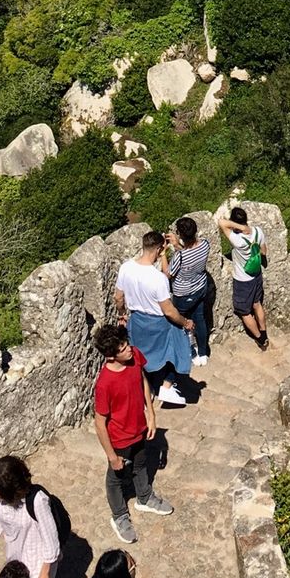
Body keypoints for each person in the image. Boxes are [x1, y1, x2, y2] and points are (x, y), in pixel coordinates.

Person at [92, 323, 171, 545]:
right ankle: (119, 516)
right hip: (120, 438)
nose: (129, 349)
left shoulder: (134, 356)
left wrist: (151, 413)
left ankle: (144, 497)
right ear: (110, 356)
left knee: (141, 464)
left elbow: (142, 379)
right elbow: (100, 423)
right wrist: (112, 456)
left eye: (127, 343)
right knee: (115, 478)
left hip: (139, 429)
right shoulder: (105, 384)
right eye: (123, 348)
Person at [114, 231, 195, 407]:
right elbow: (169, 312)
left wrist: (122, 314)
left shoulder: (126, 268)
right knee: (180, 348)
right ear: (159, 250)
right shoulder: (158, 279)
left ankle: (146, 391)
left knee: (139, 357)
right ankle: (167, 386)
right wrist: (185, 322)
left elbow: (118, 298)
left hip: (137, 321)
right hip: (158, 325)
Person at [0, 456, 61, 578]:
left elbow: (51, 541)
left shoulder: (38, 501)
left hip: (37, 558)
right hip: (15, 553)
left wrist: (45, 573)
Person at [163, 215, 211, 368]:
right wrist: (178, 245)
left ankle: (192, 353)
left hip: (183, 295)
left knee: (181, 323)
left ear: (180, 235)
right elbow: (190, 254)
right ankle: (203, 353)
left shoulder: (180, 256)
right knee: (200, 319)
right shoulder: (205, 244)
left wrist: (163, 254)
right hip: (201, 288)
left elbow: (167, 274)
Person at [218, 206, 268, 348]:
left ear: (234, 222)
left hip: (243, 280)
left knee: (244, 312)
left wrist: (239, 228)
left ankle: (259, 338)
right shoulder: (258, 231)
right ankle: (264, 332)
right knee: (257, 304)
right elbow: (264, 252)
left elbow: (221, 222)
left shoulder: (237, 240)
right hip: (256, 274)